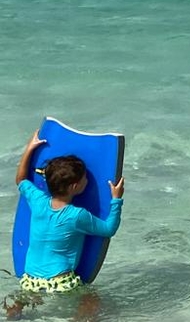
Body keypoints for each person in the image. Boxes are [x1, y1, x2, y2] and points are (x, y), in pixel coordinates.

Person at [6, 130, 124, 318]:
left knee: (24, 299)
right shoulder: (77, 216)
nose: (87, 180)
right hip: (60, 281)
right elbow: (109, 228)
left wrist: (30, 148)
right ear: (74, 187)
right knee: (92, 301)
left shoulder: (37, 201)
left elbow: (21, 179)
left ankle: (15, 312)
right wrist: (116, 199)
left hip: (29, 279)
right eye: (85, 178)